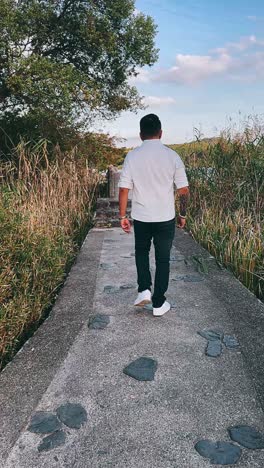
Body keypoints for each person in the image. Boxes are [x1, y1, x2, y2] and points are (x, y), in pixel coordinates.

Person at [118, 114, 189, 317]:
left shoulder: (132, 156)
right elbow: (183, 190)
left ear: (141, 135)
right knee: (163, 259)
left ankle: (144, 290)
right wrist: (182, 214)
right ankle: (158, 304)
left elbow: (124, 189)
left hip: (141, 216)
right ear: (161, 132)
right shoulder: (172, 155)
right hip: (165, 217)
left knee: (141, 252)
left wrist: (122, 215)